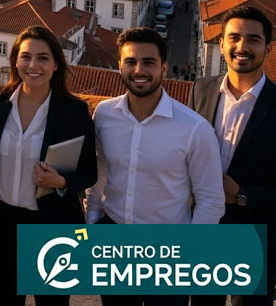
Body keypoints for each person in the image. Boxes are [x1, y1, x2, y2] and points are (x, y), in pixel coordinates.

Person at [87, 27, 225, 306]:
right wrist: (92, 223)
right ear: (120, 67)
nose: (139, 70)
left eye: (148, 62)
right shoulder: (103, 114)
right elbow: (100, 171)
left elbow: (212, 201)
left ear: (163, 68)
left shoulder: (194, 128)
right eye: (131, 62)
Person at [0, 26, 96, 306]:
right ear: (15, 61)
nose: (33, 65)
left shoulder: (73, 111)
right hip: (0, 222)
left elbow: (89, 172)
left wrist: (60, 182)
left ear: (56, 64)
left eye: (43, 58)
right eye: (25, 57)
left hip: (50, 225)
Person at [190, 6, 276, 306]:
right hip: (205, 229)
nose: (242, 47)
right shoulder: (200, 89)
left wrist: (241, 195)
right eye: (234, 38)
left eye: (253, 39)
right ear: (222, 43)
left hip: (255, 235)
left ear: (268, 47)